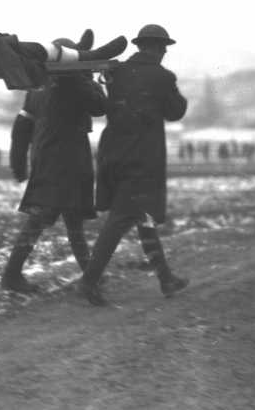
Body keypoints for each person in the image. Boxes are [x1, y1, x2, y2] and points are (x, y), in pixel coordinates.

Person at [79, 24, 189, 305]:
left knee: (143, 217)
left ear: (140, 45)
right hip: (141, 159)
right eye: (163, 47)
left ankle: (166, 279)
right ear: (156, 48)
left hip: (113, 155)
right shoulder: (163, 77)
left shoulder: (116, 72)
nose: (165, 52)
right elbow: (176, 111)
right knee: (121, 220)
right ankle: (88, 282)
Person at [2, 30, 107, 293]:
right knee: (64, 220)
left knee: (53, 219)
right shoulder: (74, 83)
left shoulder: (39, 87)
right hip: (68, 160)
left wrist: (18, 163)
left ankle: (88, 273)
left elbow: (21, 127)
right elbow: (99, 106)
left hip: (47, 159)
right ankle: (12, 275)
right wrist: (91, 78)